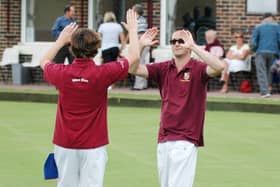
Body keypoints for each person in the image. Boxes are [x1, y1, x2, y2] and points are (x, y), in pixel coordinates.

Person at [40, 9, 143, 187]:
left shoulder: (62, 73)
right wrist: (133, 31)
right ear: (96, 49)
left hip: (65, 143)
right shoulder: (103, 73)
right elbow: (134, 57)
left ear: (72, 48)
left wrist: (60, 40)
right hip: (94, 145)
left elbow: (44, 61)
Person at [133, 30, 224, 187]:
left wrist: (194, 46)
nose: (176, 44)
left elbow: (219, 66)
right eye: (173, 40)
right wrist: (140, 45)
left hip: (186, 139)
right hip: (164, 138)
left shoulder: (198, 68)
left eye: (181, 41)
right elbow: (133, 69)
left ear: (188, 44)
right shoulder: (163, 68)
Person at [251, 13, 280, 98]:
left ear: (263, 19)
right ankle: (268, 89)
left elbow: (253, 42)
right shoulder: (277, 27)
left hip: (261, 51)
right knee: (270, 72)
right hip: (274, 52)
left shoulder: (258, 27)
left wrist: (254, 50)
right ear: (272, 18)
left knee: (261, 72)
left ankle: (264, 92)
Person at [131, 4, 150, 90]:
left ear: (135, 12)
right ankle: (144, 84)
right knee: (143, 62)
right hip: (145, 41)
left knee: (138, 62)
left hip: (141, 41)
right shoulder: (143, 19)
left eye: (132, 10)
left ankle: (138, 86)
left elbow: (137, 34)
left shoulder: (137, 21)